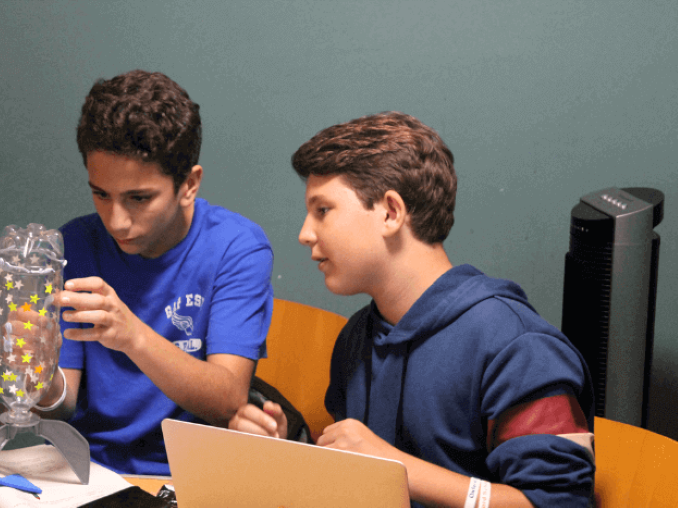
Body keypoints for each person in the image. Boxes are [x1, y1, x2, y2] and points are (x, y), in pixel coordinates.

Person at [228, 112, 594, 507]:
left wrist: (398, 468)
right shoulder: (357, 337)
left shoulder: (518, 348)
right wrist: (283, 451)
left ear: (390, 212)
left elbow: (559, 503)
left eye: (323, 210)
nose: (305, 233)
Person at [28, 70, 274, 475]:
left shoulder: (236, 247)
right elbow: (61, 405)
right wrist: (39, 376)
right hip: (87, 474)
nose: (117, 220)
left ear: (189, 184)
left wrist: (133, 335)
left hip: (187, 477)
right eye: (100, 194)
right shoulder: (73, 244)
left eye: (139, 198)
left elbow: (228, 400)